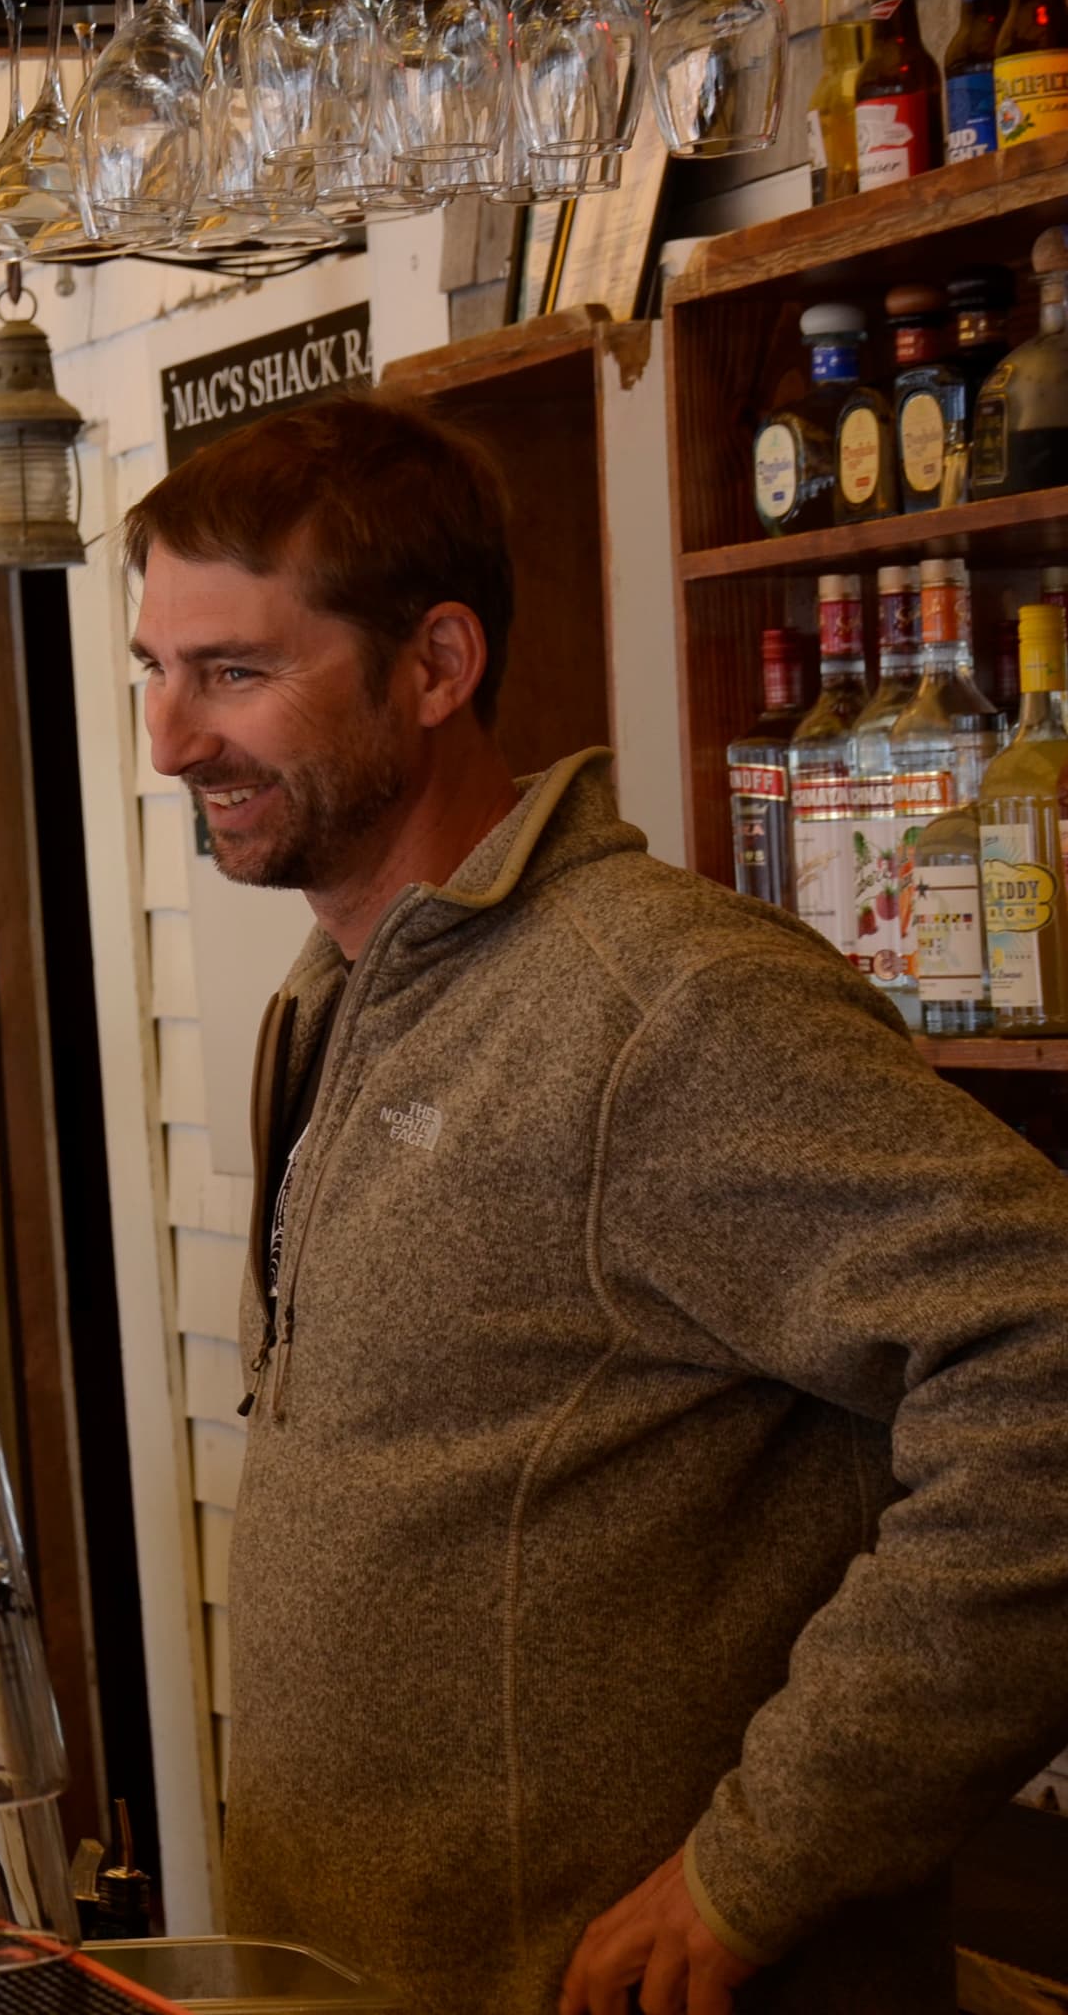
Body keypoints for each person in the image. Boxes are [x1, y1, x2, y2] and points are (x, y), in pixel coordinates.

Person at [125, 398, 1068, 2014]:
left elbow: (1051, 1364)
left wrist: (756, 1864)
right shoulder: (337, 994)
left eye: (236, 672)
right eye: (150, 669)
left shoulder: (658, 1008)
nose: (167, 740)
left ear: (436, 665)